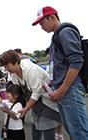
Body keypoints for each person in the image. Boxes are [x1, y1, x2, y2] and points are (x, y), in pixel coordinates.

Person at [32, 6, 88, 140]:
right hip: (65, 89)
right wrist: (52, 82)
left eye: (42, 22)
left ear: (52, 17)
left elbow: (76, 62)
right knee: (72, 130)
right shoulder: (57, 35)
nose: (41, 27)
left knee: (78, 131)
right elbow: (63, 65)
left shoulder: (65, 32)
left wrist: (62, 90)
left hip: (70, 89)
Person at [0, 50, 61, 140]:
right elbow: (20, 92)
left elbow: (36, 92)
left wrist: (26, 108)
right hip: (35, 104)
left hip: (47, 101)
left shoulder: (30, 69)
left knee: (48, 128)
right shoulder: (14, 75)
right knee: (35, 129)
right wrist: (6, 103)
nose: (6, 69)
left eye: (8, 65)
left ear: (16, 62)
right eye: (4, 66)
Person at [45, 47, 64, 140]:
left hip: (58, 90)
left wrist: (49, 82)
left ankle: (59, 134)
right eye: (47, 54)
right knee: (55, 113)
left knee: (60, 113)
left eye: (49, 54)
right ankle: (56, 133)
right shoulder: (48, 65)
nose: (48, 56)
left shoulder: (55, 63)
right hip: (51, 91)